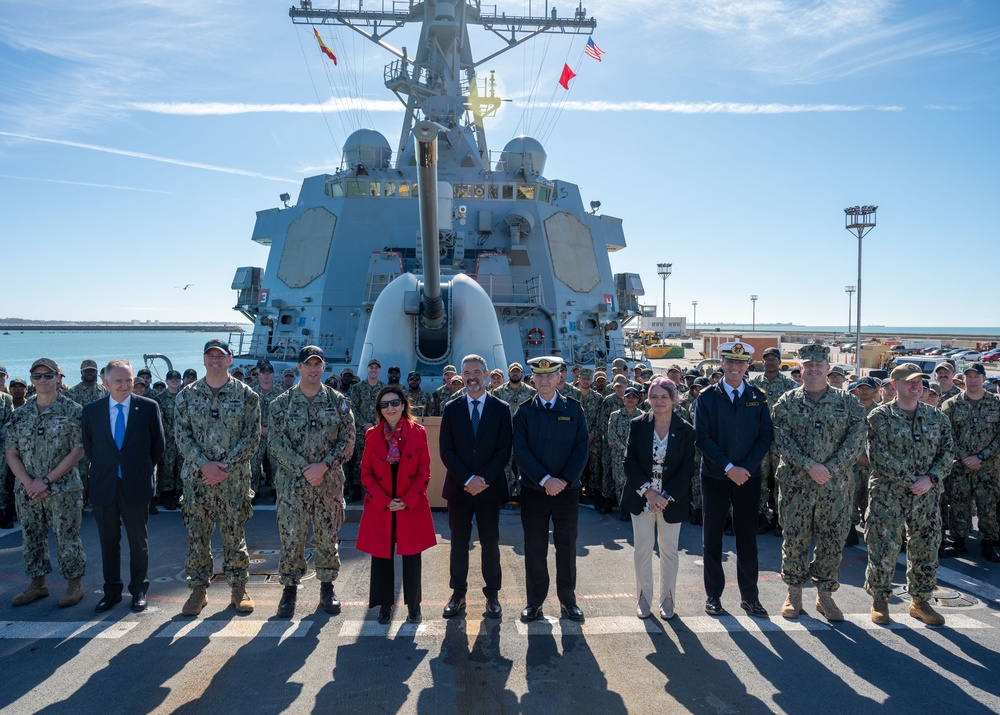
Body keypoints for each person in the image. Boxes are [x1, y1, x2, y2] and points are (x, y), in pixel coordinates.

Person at [771, 343, 866, 622]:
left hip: (834, 487)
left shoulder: (848, 403)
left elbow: (857, 439)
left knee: (832, 542)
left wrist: (830, 468)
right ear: (800, 369)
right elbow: (781, 439)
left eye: (818, 365)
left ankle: (825, 595)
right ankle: (794, 592)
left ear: (827, 368)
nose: (813, 370)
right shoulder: (787, 402)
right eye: (808, 365)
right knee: (795, 539)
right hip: (796, 485)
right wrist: (810, 466)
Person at [174, 339, 261, 616]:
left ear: (230, 359)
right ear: (203, 360)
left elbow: (251, 437)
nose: (215, 360)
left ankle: (238, 588)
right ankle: (199, 590)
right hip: (198, 480)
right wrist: (204, 465)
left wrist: (223, 467)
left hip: (233, 480)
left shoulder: (248, 395)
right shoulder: (186, 396)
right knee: (197, 535)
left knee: (234, 534)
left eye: (220, 356)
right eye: (210, 356)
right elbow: (181, 436)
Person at [268, 346, 355, 618]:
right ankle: (289, 590)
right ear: (299, 367)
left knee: (328, 536)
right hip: (293, 485)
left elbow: (348, 440)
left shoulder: (339, 402)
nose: (314, 369)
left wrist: (324, 465)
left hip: (328, 484)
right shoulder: (280, 404)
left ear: (324, 367)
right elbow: (276, 443)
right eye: (309, 364)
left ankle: (327, 587)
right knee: (292, 537)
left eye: (318, 364)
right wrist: (305, 469)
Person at [865, 363, 953, 625]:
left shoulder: (937, 417)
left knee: (925, 548)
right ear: (894, 385)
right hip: (888, 494)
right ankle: (880, 600)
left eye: (920, 381)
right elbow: (878, 456)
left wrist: (930, 479)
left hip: (926, 495)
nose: (916, 386)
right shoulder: (879, 417)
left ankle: (920, 601)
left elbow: (947, 453)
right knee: (884, 547)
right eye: (909, 381)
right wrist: (912, 481)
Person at [694, 342, 773, 618]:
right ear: (722, 364)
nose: (736, 367)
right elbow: (702, 437)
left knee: (747, 539)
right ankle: (713, 596)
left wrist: (745, 469)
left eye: (741, 363)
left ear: (748, 365)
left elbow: (765, 436)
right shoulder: (706, 397)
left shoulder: (758, 397)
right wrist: (729, 467)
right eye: (730, 362)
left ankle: (750, 597)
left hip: (748, 478)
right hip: (716, 476)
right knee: (712, 538)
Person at [81, 360, 165, 613]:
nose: (125, 385)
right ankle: (112, 591)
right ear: (105, 383)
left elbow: (157, 446)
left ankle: (139, 590)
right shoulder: (91, 410)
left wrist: (136, 469)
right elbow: (90, 448)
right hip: (104, 485)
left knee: (138, 541)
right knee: (108, 542)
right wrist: (111, 468)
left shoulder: (149, 407)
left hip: (136, 484)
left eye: (128, 380)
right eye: (118, 381)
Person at [513, 356, 589, 622]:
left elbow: (581, 449)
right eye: (539, 376)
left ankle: (568, 601)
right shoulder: (523, 412)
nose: (544, 380)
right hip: (535, 491)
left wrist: (564, 481)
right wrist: (546, 480)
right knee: (534, 548)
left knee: (566, 547)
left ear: (560, 377)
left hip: (566, 492)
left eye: (549, 375)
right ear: (532, 379)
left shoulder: (574, 409)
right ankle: (535, 602)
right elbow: (521, 452)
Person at [5, 358, 86, 607]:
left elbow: (77, 450)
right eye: (37, 376)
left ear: (57, 378)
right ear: (31, 380)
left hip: (63, 489)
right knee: (31, 537)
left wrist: (46, 480)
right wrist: (30, 482)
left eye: (48, 375)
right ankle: (37, 584)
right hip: (27, 490)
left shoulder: (73, 410)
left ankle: (74, 585)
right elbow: (11, 452)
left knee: (67, 537)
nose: (43, 380)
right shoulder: (20, 414)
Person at [439, 355, 513, 619]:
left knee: (490, 543)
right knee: (458, 543)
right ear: (462, 374)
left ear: (486, 373)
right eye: (467, 372)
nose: (472, 377)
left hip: (489, 489)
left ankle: (492, 594)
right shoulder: (451, 407)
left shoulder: (501, 408)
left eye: (476, 372)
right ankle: (458, 593)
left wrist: (483, 480)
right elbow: (446, 450)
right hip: (460, 489)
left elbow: (504, 449)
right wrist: (467, 479)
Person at [357, 384, 436, 624]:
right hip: (383, 503)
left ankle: (414, 606)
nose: (390, 408)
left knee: (412, 556)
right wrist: (384, 501)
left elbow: (424, 472)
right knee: (382, 557)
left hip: (408, 502)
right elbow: (366, 473)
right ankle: (384, 605)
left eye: (394, 403)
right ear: (379, 409)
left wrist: (407, 500)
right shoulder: (372, 434)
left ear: (403, 405)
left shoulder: (419, 432)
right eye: (384, 404)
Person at [622, 377, 695, 619]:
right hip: (642, 496)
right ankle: (643, 597)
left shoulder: (686, 430)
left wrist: (663, 496)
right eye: (654, 396)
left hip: (670, 499)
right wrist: (649, 492)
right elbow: (629, 461)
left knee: (669, 551)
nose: (659, 401)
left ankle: (667, 598)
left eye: (664, 396)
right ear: (648, 399)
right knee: (642, 549)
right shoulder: (638, 424)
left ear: (674, 398)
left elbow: (687, 468)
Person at [941, 362, 1000, 562]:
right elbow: (946, 434)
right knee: (958, 504)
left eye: (977, 376)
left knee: (988, 505)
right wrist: (965, 457)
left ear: (984, 379)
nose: (973, 380)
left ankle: (989, 543)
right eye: (969, 376)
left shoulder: (996, 403)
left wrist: (982, 456)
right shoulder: (950, 405)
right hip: (960, 466)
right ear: (963, 378)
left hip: (988, 466)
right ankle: (959, 541)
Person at [750, 347, 798, 535]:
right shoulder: (753, 384)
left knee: (781, 477)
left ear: (779, 361)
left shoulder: (789, 384)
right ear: (762, 362)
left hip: (781, 439)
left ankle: (780, 517)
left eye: (773, 359)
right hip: (759, 439)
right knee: (759, 478)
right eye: (766, 359)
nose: (770, 362)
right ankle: (761, 516)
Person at [348, 357, 385, 502]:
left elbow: (387, 408)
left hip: (378, 431)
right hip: (360, 430)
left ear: (379, 370)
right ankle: (356, 489)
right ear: (367, 369)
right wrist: (364, 423)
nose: (373, 370)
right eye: (371, 367)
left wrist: (375, 424)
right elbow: (352, 408)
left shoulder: (383, 388)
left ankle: (375, 489)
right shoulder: (357, 388)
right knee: (358, 459)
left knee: (377, 459)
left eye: (376, 368)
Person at [605, 387, 646, 521]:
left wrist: (634, 451)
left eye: (633, 397)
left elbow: (646, 437)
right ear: (623, 399)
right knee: (620, 483)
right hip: (619, 457)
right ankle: (624, 509)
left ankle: (634, 508)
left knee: (636, 482)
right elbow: (611, 436)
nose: (630, 399)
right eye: (628, 397)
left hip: (637, 457)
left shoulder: (644, 416)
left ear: (638, 399)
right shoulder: (615, 415)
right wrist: (624, 449)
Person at [251, 359, 284, 501]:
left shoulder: (280, 393)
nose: (266, 376)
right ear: (258, 374)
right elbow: (246, 415)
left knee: (276, 464)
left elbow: (284, 416)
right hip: (256, 435)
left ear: (273, 375)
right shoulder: (250, 392)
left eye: (269, 373)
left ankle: (276, 490)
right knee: (253, 464)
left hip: (273, 435)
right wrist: (259, 429)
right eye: (263, 373)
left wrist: (272, 429)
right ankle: (253, 490)